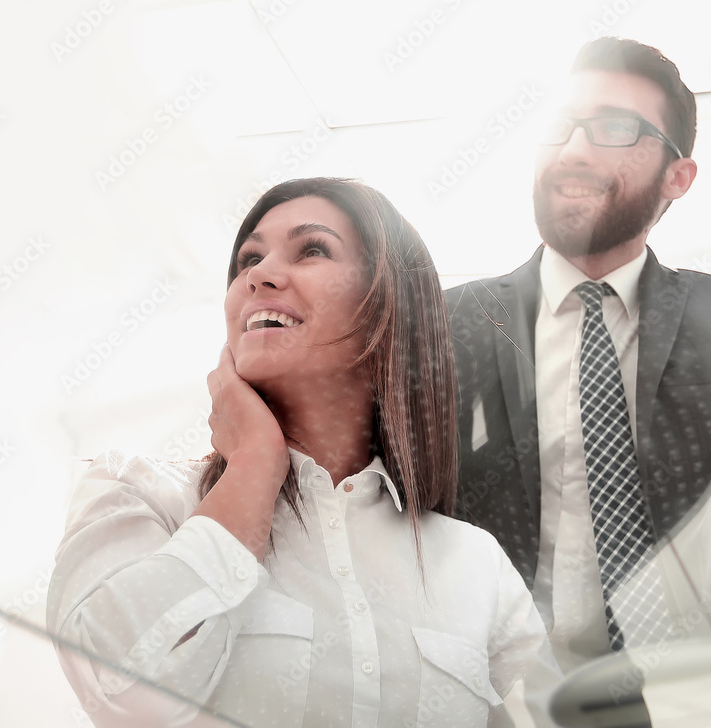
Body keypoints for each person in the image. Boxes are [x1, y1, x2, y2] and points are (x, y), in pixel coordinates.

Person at [47, 177, 552, 728]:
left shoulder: (477, 563)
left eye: (312, 249)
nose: (258, 275)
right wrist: (255, 464)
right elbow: (114, 689)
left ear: (389, 312)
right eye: (249, 258)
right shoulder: (138, 494)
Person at [446, 36, 711, 677]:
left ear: (678, 176)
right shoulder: (445, 322)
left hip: (685, 687)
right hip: (499, 687)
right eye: (558, 126)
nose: (572, 150)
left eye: (614, 128)